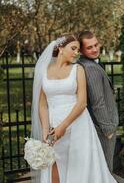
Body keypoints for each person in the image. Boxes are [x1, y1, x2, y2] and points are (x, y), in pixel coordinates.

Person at [31, 33, 117, 183]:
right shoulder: (44, 71)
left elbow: (82, 102)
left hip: (78, 124)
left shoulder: (78, 69)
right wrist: (46, 130)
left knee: (80, 167)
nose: (77, 53)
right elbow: (42, 104)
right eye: (73, 48)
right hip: (53, 126)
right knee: (54, 165)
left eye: (78, 49)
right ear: (60, 48)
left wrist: (63, 126)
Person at [78, 30, 119, 173]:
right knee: (106, 170)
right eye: (89, 47)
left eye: (96, 45)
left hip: (98, 126)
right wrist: (108, 129)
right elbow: (98, 102)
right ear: (81, 50)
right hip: (103, 128)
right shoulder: (90, 68)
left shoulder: (87, 64)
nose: (95, 49)